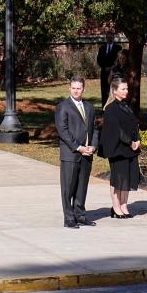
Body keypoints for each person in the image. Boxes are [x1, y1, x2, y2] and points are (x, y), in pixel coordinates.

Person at [54, 76, 98, 229]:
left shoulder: (89, 107)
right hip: (71, 154)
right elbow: (63, 131)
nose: (76, 91)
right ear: (69, 88)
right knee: (68, 187)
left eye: (79, 88)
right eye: (73, 88)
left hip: (87, 154)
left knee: (82, 186)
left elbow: (95, 129)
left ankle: (79, 214)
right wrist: (78, 147)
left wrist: (93, 146)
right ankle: (69, 218)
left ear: (83, 89)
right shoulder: (63, 106)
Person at [100, 77, 142, 219]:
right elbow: (117, 131)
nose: (126, 91)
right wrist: (130, 142)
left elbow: (134, 125)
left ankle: (124, 205)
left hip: (131, 149)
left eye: (127, 88)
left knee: (128, 178)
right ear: (115, 91)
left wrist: (137, 140)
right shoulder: (110, 109)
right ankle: (116, 207)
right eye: (123, 89)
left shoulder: (126, 106)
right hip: (118, 149)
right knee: (118, 179)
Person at [96, 33, 121, 107]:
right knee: (104, 91)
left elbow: (119, 59)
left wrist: (112, 68)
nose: (110, 38)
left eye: (111, 37)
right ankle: (104, 108)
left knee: (114, 90)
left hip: (114, 72)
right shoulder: (102, 48)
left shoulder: (118, 48)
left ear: (113, 37)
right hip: (104, 72)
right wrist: (104, 67)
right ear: (106, 38)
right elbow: (99, 60)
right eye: (108, 37)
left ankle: (115, 108)